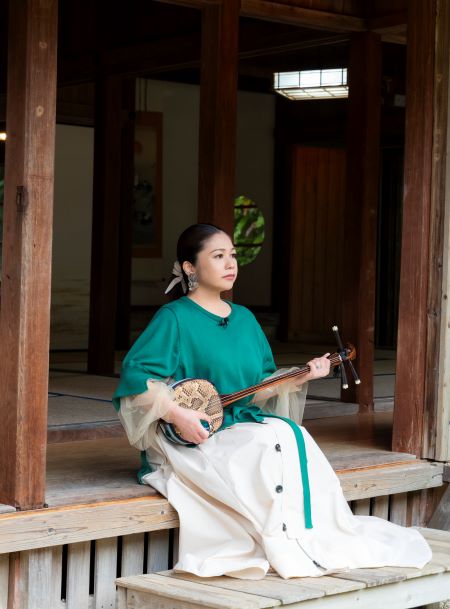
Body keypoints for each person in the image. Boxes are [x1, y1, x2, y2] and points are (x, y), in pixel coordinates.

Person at [113, 222, 432, 580]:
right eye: (218, 256)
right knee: (268, 442)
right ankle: (284, 539)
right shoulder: (174, 318)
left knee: (292, 435)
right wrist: (177, 414)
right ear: (190, 267)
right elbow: (136, 380)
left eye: (233, 255)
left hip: (237, 421)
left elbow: (258, 387)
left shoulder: (245, 319)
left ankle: (306, 537)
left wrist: (303, 375)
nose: (230, 263)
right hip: (196, 434)